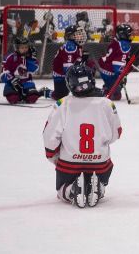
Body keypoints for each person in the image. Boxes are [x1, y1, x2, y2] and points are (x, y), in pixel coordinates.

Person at [42, 63, 122, 208]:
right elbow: (116, 134)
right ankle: (99, 187)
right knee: (102, 175)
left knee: (61, 191)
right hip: (100, 165)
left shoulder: (62, 104)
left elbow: (50, 136)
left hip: (69, 165)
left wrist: (52, 155)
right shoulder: (107, 104)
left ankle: (71, 190)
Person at [1, 37, 49, 104]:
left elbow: (33, 70)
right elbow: (3, 75)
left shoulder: (30, 57)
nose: (25, 49)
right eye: (22, 48)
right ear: (17, 48)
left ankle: (40, 92)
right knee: (13, 99)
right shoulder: (10, 58)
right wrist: (11, 79)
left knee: (32, 98)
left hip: (26, 82)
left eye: (26, 47)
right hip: (12, 84)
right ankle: (20, 95)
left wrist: (32, 59)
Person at [51, 25, 93, 100]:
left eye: (80, 34)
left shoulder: (76, 45)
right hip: (60, 76)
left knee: (90, 65)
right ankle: (46, 92)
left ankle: (86, 88)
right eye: (78, 34)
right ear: (70, 36)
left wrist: (83, 60)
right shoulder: (70, 46)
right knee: (60, 96)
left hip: (67, 73)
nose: (81, 36)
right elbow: (68, 69)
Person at [99, 23, 133, 100]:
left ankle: (108, 87)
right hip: (109, 71)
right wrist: (122, 74)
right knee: (116, 95)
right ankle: (106, 89)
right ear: (123, 35)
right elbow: (117, 64)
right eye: (129, 34)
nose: (130, 35)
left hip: (105, 68)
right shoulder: (123, 44)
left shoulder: (117, 42)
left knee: (116, 94)